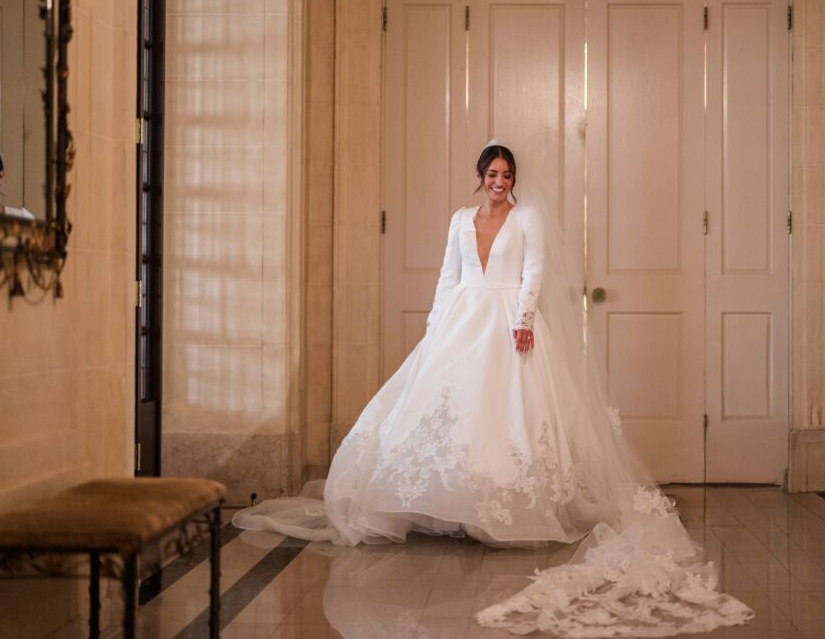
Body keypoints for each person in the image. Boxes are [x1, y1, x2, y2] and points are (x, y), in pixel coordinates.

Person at [234, 141, 753, 636]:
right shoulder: (462, 220)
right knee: (448, 411)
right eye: (491, 175)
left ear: (513, 180)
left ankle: (509, 505)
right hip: (463, 318)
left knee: (509, 412)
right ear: (480, 178)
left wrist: (523, 319)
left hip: (509, 318)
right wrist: (437, 325)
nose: (499, 183)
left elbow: (535, 270)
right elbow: (448, 275)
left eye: (506, 176)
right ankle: (446, 507)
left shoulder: (526, 219)